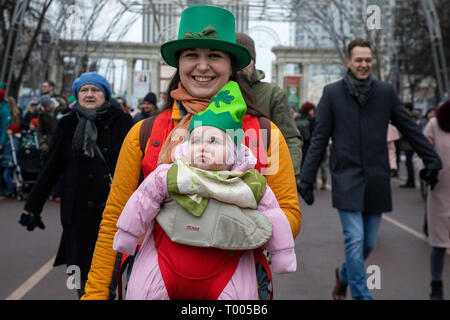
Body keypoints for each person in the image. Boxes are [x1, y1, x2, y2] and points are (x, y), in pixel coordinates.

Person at [82, 5, 301, 300]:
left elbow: (289, 215)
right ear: (179, 63)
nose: (202, 66)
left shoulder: (264, 134)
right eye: (191, 55)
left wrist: (231, 218)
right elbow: (115, 219)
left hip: (236, 286)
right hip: (155, 282)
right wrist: (95, 294)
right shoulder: (145, 133)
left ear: (231, 65)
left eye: (214, 56)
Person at [113, 81, 297, 299]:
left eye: (213, 142)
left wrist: (282, 252)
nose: (202, 147)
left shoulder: (251, 181)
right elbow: (141, 201)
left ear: (233, 151)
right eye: (196, 141)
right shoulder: (169, 171)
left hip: (228, 270)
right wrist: (127, 235)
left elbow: (277, 214)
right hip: (163, 267)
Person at [298, 39, 442, 300]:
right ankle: (362, 296)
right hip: (346, 178)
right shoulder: (332, 94)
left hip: (377, 179)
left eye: (368, 60)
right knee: (354, 240)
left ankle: (343, 276)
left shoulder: (385, 93)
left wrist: (432, 159)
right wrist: (306, 179)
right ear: (349, 62)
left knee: (367, 244)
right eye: (359, 60)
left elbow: (409, 128)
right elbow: (319, 138)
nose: (364, 64)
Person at [18, 72, 133, 298]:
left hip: (113, 214)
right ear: (77, 95)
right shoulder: (67, 123)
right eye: (84, 90)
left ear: (105, 94)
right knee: (78, 277)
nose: (89, 94)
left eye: (95, 90)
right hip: (77, 215)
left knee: (110, 279)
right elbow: (51, 168)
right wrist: (32, 206)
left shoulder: (123, 121)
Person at [236, 32, 303, 178]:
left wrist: (289, 177)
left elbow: (290, 138)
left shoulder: (272, 93)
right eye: (234, 60)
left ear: (252, 62)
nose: (239, 67)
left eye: (244, 60)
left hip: (266, 178)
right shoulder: (217, 90)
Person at [422, 100, 450, 300]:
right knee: (440, 244)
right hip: (441, 190)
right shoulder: (436, 123)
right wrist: (426, 171)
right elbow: (421, 152)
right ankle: (437, 284)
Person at [1, 125, 20, 197]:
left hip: (10, 162)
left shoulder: (14, 141)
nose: (7, 131)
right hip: (6, 161)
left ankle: (12, 188)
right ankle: (11, 190)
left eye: (9, 130)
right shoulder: (9, 140)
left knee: (6, 176)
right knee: (7, 176)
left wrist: (11, 161)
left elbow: (14, 152)